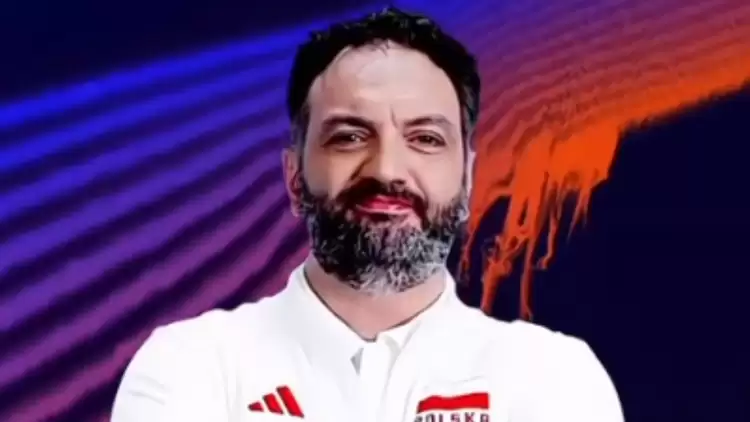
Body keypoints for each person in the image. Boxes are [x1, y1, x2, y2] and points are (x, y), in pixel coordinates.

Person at [111, 6, 623, 422]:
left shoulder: (553, 377)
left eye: (426, 139)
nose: (387, 170)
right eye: (350, 137)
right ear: (294, 177)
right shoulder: (190, 366)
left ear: (467, 177)